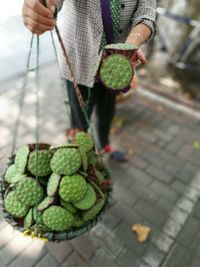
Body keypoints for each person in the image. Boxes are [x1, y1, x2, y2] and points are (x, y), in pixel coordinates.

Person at [22, 0, 156, 161]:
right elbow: (51, 3)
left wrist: (131, 44)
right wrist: (42, 6)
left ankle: (104, 145)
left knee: (107, 111)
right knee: (79, 114)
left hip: (116, 64)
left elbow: (146, 13)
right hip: (79, 61)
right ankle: (78, 153)